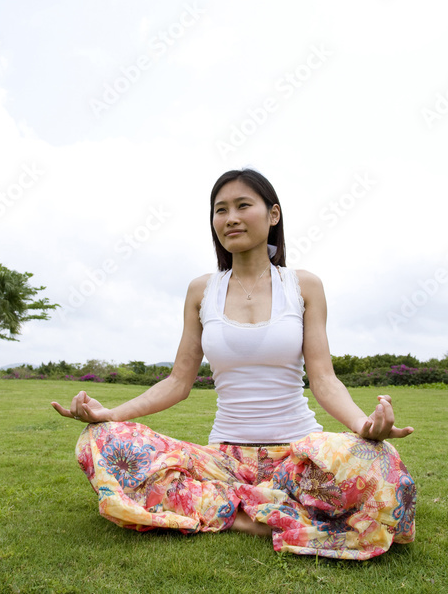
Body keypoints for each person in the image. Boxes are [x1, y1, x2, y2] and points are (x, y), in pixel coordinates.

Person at [52, 169, 416, 559]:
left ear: (273, 215)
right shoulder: (201, 290)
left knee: (378, 460)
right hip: (222, 460)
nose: (230, 218)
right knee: (100, 440)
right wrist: (110, 415)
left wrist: (364, 426)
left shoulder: (303, 286)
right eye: (220, 210)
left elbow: (323, 379)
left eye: (243, 206)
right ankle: (256, 515)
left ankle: (228, 507)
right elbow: (178, 380)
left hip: (296, 457)